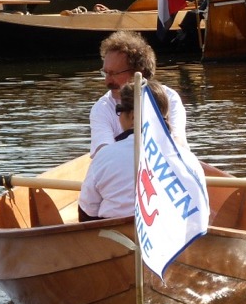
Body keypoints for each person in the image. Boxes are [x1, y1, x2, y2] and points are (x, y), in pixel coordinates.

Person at [79, 80, 201, 221]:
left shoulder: (104, 157)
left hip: (115, 237)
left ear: (132, 116)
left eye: (119, 110)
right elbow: (199, 213)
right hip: (169, 238)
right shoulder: (187, 158)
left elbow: (87, 211)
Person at [90, 31, 187, 156]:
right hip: (123, 170)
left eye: (114, 73)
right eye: (105, 72)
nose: (107, 81)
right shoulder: (102, 108)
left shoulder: (169, 97)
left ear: (139, 73)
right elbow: (103, 154)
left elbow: (175, 144)